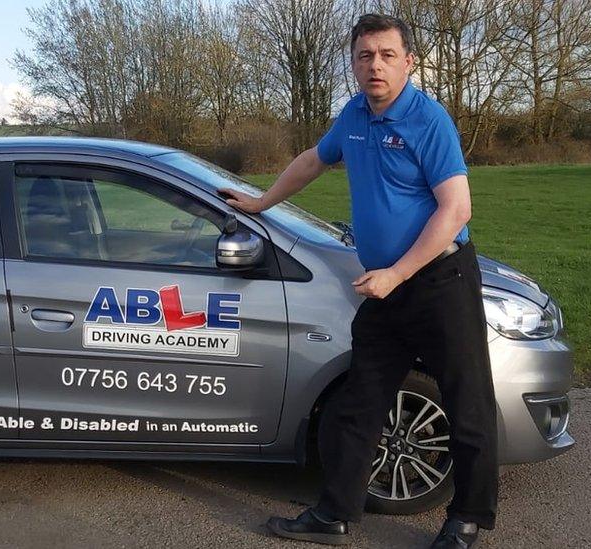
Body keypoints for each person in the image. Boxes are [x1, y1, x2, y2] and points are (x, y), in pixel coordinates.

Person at [219, 13, 498, 549]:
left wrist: (397, 272)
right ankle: (335, 514)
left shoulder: (428, 120)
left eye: (387, 55)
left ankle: (467, 520)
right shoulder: (351, 115)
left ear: (409, 62)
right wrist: (260, 202)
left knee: (468, 405)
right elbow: (311, 161)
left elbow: (456, 209)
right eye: (365, 55)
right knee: (358, 403)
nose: (375, 66)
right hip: (383, 288)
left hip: (438, 281)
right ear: (352, 63)